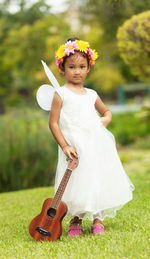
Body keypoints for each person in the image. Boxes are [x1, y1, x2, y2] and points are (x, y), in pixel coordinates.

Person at [49, 37, 135, 237]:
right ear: (63, 68)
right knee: (76, 182)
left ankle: (98, 218)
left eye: (82, 66)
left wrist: (103, 121)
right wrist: (64, 145)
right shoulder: (60, 94)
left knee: (96, 179)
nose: (77, 71)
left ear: (89, 68)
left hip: (95, 144)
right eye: (71, 67)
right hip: (75, 148)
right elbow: (53, 123)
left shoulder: (91, 94)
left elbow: (107, 112)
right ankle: (76, 218)